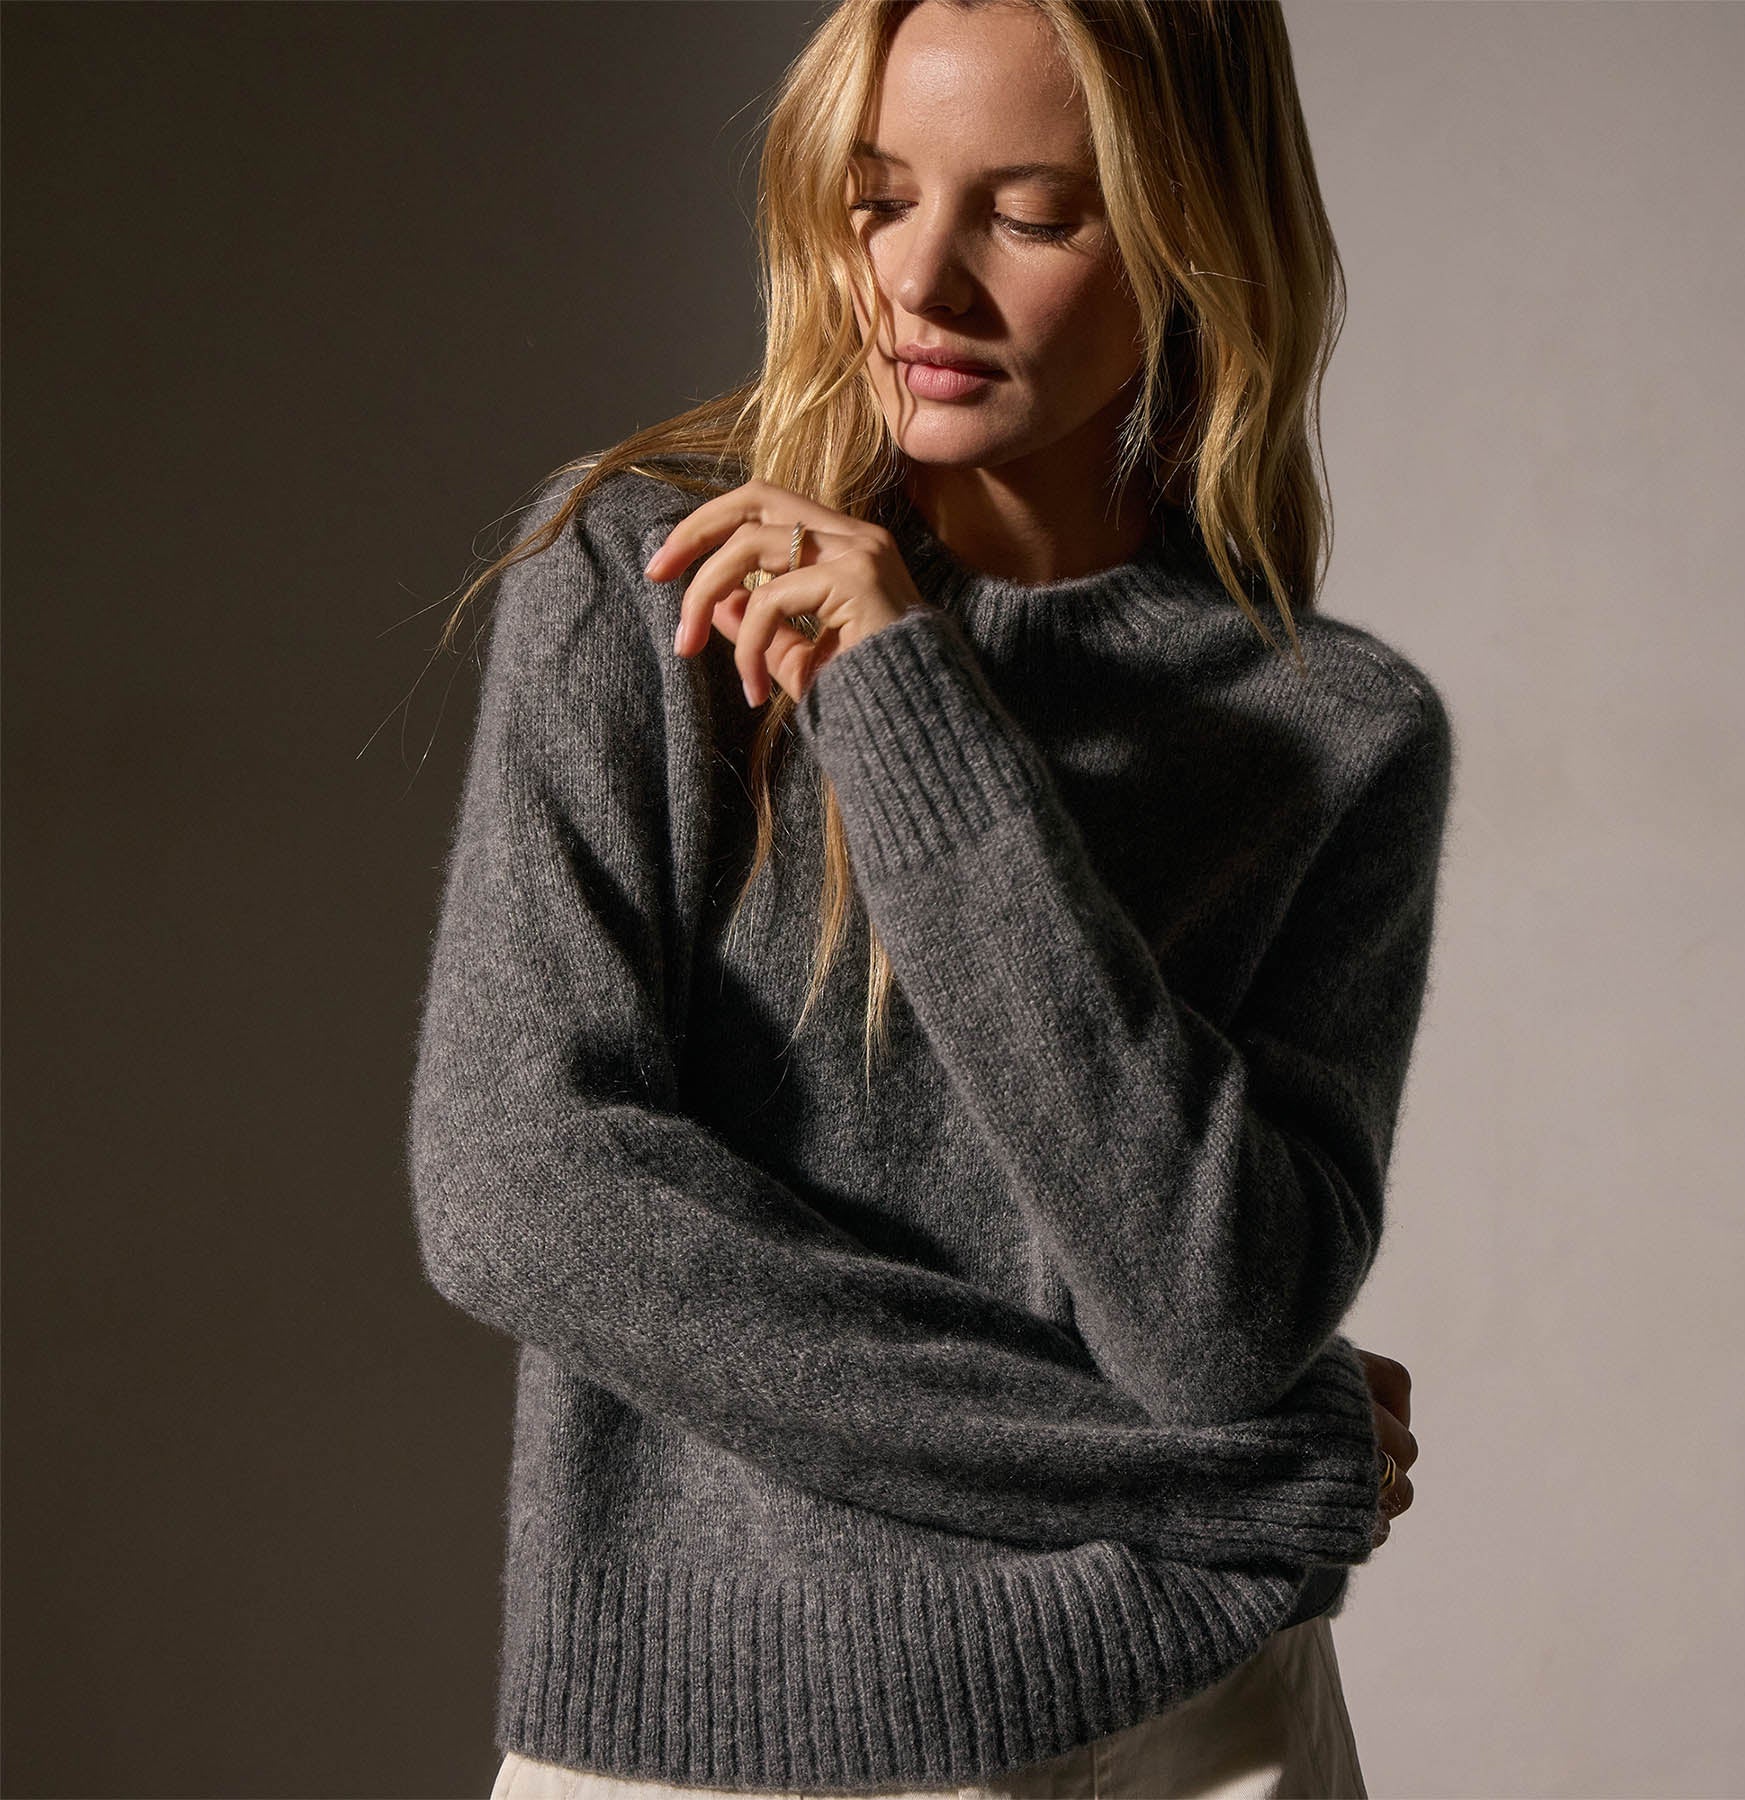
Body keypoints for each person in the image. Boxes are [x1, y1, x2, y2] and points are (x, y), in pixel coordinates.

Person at [406, 1, 1448, 1796]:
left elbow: (1210, 1325)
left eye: (1032, 215)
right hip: (714, 1741)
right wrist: (1218, 1474)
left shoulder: (1331, 735)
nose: (921, 281)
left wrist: (904, 706)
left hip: (1186, 1730)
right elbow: (522, 1198)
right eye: (876, 197)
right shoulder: (645, 576)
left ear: (1197, 241)